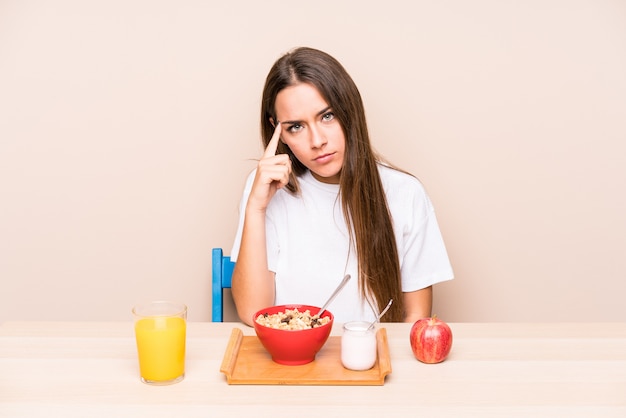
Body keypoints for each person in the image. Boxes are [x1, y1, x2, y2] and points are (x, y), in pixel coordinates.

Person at [230, 47, 453, 326]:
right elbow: (254, 313)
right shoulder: (265, 188)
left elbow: (414, 318)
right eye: (296, 126)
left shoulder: (405, 194)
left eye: (327, 116)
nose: (317, 140)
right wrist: (256, 207)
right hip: (292, 364)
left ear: (350, 110)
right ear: (279, 132)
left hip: (369, 362)